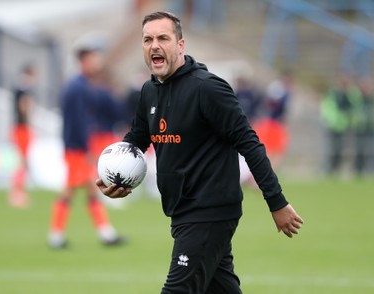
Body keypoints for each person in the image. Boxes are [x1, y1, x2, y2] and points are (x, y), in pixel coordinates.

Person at [96, 11, 304, 293]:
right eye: (147, 39)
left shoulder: (208, 88)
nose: (154, 45)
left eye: (163, 38)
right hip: (182, 211)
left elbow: (249, 143)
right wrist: (118, 176)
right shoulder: (149, 91)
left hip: (209, 210)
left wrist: (276, 202)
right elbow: (137, 139)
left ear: (180, 45)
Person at [47, 46, 124, 248]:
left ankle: (105, 233)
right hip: (77, 149)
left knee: (90, 188)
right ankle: (56, 235)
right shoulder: (78, 88)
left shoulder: (79, 86)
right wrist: (86, 148)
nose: (97, 64)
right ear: (83, 61)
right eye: (93, 60)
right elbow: (78, 122)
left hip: (76, 147)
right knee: (70, 189)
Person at [8, 64, 36, 208]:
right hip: (22, 128)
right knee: (22, 162)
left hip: (19, 128)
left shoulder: (18, 88)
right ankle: (16, 194)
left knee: (22, 162)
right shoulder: (24, 90)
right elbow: (23, 106)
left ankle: (18, 193)